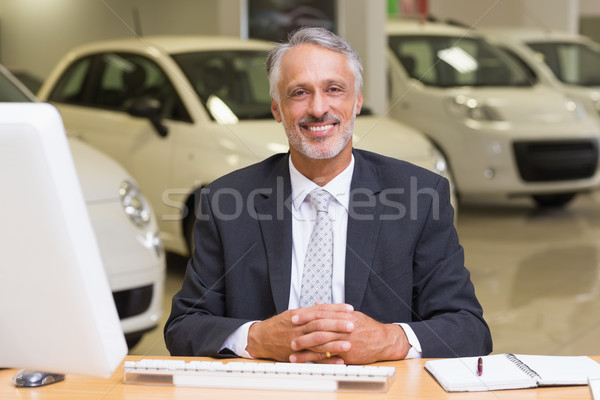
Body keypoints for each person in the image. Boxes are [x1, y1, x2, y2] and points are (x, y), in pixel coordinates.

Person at [165, 27, 492, 364]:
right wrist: (255, 339)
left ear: (358, 102)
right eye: (299, 93)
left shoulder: (420, 197)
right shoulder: (225, 201)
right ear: (277, 108)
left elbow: (469, 330)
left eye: (334, 89)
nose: (318, 108)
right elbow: (184, 327)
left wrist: (390, 340)